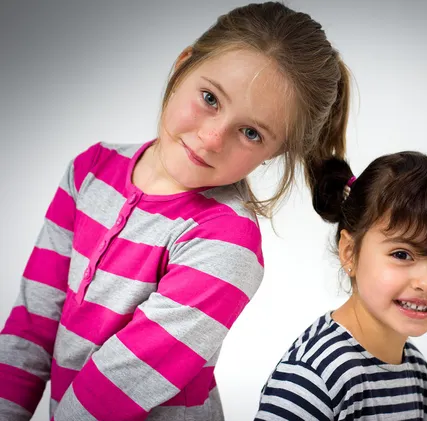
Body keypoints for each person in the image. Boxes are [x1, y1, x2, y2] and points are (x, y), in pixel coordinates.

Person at [0, 2, 351, 420]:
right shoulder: (90, 170)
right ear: (183, 65)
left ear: (279, 151)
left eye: (252, 132)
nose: (212, 137)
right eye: (210, 98)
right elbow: (30, 328)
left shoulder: (226, 242)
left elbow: (112, 387)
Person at [255, 151, 427, 420]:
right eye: (402, 255)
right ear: (350, 252)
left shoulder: (415, 369)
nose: (426, 283)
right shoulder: (314, 377)